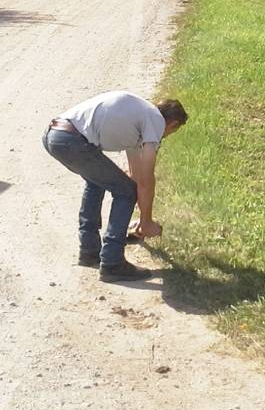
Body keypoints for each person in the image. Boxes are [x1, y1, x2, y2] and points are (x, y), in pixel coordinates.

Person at [42, 91, 188, 282]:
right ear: (172, 124)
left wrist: (142, 221)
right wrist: (147, 222)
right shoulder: (155, 120)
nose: (165, 136)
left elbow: (138, 177)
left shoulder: (138, 119)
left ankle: (89, 251)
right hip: (73, 141)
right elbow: (147, 179)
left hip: (55, 135)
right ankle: (112, 262)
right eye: (171, 133)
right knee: (126, 192)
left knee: (97, 182)